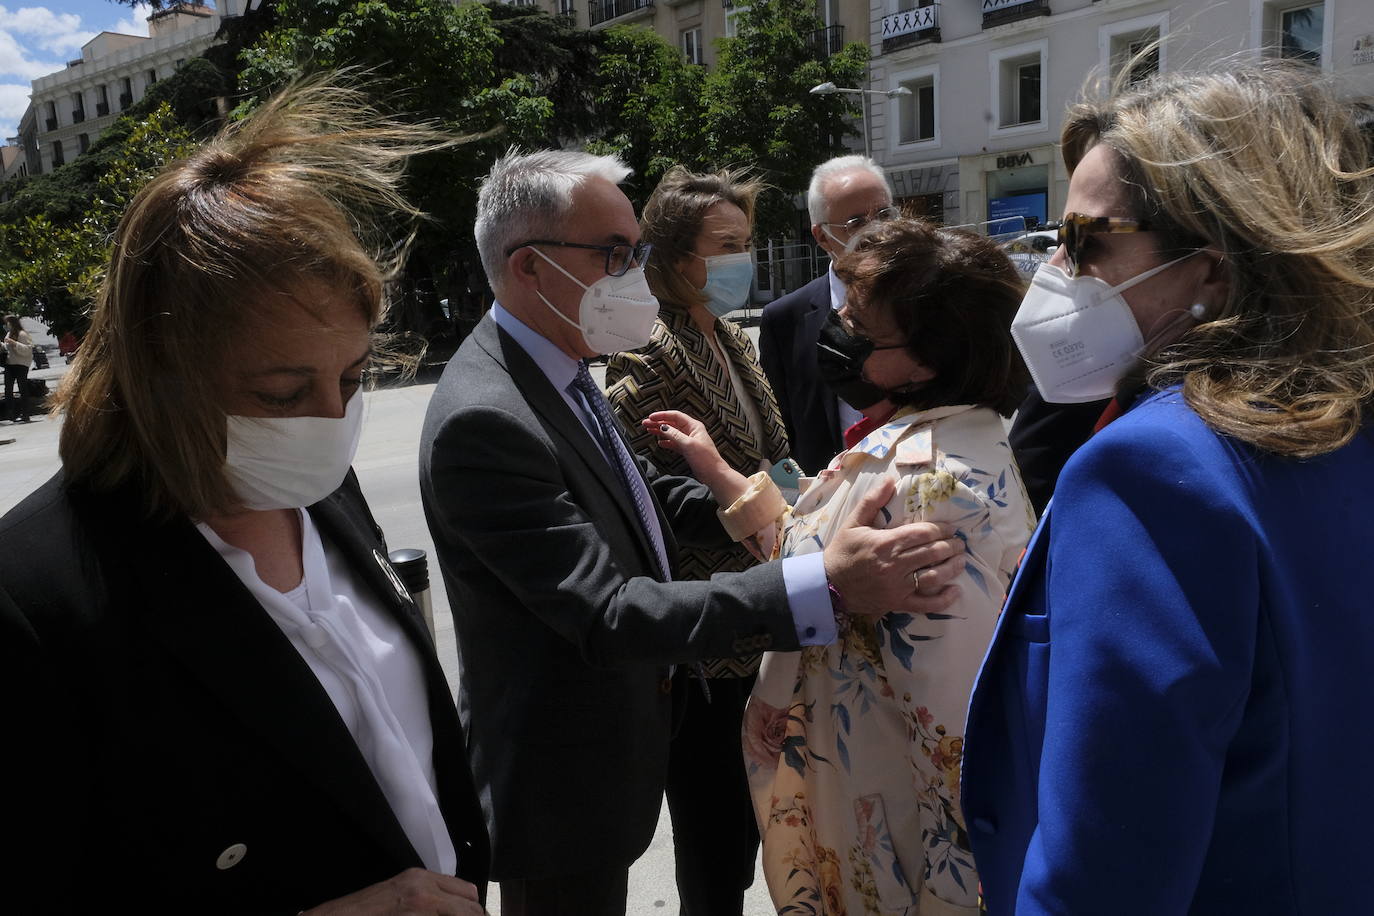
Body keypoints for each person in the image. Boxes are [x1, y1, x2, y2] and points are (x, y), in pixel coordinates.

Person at [418, 149, 969, 916]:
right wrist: (823, 583)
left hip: (615, 744)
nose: (634, 273)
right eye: (615, 254)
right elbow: (607, 613)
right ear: (532, 268)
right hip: (562, 780)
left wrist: (745, 499)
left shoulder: (558, 369)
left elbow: (637, 496)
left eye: (636, 251)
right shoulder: (489, 417)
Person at [0, 82, 490, 914]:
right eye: (280, 393)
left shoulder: (324, 490)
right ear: (159, 377)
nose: (332, 423)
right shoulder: (33, 597)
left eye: (351, 377)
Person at [961, 61, 1374, 914]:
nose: (1056, 271)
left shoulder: (1153, 472)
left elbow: (1106, 872)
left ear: (1214, 271)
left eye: (1086, 241)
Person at [651, 217, 1035, 914]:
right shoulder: (915, 442)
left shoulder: (929, 487)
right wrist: (719, 474)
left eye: (858, 323)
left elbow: (956, 738)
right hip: (866, 821)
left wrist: (954, 896)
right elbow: (821, 561)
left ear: (925, 358)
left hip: (897, 855)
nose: (838, 333)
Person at [604, 166, 788, 914]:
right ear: (677, 257)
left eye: (746, 242)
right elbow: (638, 480)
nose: (742, 259)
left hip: (769, 630)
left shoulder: (735, 341)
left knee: (768, 824)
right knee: (715, 852)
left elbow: (774, 452)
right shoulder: (651, 350)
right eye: (726, 245)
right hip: (711, 644)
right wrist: (735, 506)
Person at [759, 155, 897, 474]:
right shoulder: (785, 319)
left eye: (884, 214)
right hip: (833, 498)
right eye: (856, 222)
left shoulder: (931, 296)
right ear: (821, 237)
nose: (875, 230)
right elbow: (781, 430)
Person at [3, 314, 34, 422]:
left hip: (21, 365)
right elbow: (7, 348)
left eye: (7, 323)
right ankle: (11, 413)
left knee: (23, 389)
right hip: (10, 364)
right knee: (8, 389)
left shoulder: (23, 334)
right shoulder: (8, 333)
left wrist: (14, 343)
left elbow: (28, 349)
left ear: (12, 323)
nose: (6, 325)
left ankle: (25, 414)